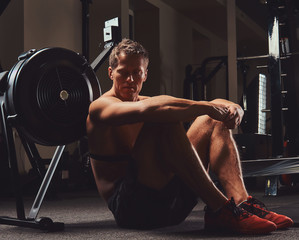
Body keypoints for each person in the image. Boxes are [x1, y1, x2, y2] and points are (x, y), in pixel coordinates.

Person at [86, 38, 293, 234]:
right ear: (111, 73)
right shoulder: (100, 107)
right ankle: (221, 209)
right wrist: (208, 107)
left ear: (145, 75)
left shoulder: (149, 102)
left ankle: (240, 203)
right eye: (123, 72)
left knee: (211, 118)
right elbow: (149, 109)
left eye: (136, 73)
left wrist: (234, 108)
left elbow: (196, 105)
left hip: (172, 204)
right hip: (133, 210)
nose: (130, 80)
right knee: (163, 116)